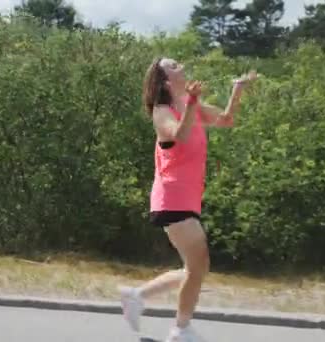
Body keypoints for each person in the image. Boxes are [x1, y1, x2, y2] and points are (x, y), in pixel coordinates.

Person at [118, 57, 257, 342]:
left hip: (188, 198)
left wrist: (237, 89)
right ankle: (180, 330)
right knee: (199, 264)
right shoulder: (162, 111)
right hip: (171, 197)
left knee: (194, 268)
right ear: (166, 81)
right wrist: (193, 101)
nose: (181, 65)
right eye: (174, 65)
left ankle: (137, 296)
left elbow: (226, 120)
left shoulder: (187, 103)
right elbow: (179, 135)